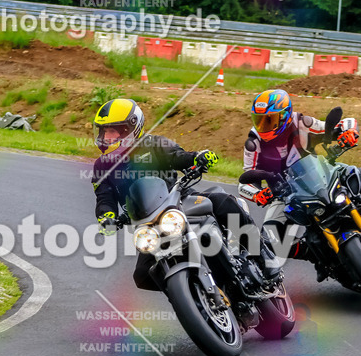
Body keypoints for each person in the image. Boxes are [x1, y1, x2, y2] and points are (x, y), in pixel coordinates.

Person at [89, 98, 280, 290]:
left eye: (112, 131)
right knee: (143, 275)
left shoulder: (153, 144)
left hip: (179, 199)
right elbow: (104, 197)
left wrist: (197, 157)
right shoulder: (102, 166)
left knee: (223, 202)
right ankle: (194, 294)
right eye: (103, 131)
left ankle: (262, 254)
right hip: (149, 222)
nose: (106, 137)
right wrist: (106, 216)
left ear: (129, 129)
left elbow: (177, 156)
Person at [237, 89, 361, 265]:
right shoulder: (253, 143)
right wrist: (257, 194)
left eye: (269, 120)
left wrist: (349, 133)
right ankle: (316, 257)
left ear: (284, 116)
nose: (263, 125)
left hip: (319, 173)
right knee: (271, 240)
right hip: (285, 193)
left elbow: (340, 125)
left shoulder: (301, 121)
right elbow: (246, 179)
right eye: (259, 120)